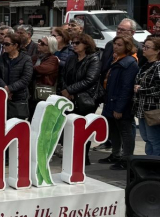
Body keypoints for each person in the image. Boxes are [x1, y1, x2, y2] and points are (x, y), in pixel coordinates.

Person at [58, 34, 101, 165]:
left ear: (86, 45)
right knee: (69, 128)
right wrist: (66, 90)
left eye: (77, 43)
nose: (74, 45)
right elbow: (63, 75)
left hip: (85, 99)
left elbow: (90, 80)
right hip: (69, 98)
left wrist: (70, 90)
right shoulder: (72, 58)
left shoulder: (93, 59)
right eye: (73, 43)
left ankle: (83, 157)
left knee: (83, 128)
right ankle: (70, 155)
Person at [100, 36, 139, 170]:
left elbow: (126, 88)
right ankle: (115, 154)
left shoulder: (129, 63)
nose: (115, 47)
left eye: (119, 45)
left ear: (127, 47)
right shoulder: (117, 60)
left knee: (125, 132)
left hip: (120, 104)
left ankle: (126, 159)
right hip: (111, 101)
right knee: (114, 130)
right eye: (115, 44)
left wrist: (119, 108)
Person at [0, 32, 33, 120]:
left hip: (19, 98)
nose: (4, 46)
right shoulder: (1, 58)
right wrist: (4, 88)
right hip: (2, 96)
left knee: (17, 124)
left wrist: (9, 89)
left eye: (7, 44)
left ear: (15, 45)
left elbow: (26, 79)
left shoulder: (26, 59)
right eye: (3, 44)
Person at [134, 37, 160, 156]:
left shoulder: (158, 66)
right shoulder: (145, 64)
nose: (143, 49)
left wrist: (141, 90)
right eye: (143, 46)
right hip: (142, 109)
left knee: (154, 140)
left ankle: (155, 164)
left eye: (147, 47)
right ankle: (149, 163)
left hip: (153, 110)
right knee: (147, 139)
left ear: (157, 51)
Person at [101, 18, 146, 83]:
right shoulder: (110, 44)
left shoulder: (139, 48)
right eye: (118, 28)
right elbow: (104, 64)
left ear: (132, 32)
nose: (119, 31)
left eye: (122, 30)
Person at [31, 36, 60, 108]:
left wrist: (28, 69)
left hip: (43, 91)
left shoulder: (53, 59)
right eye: (39, 41)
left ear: (50, 47)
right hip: (31, 90)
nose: (39, 44)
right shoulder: (35, 57)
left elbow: (40, 69)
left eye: (42, 43)